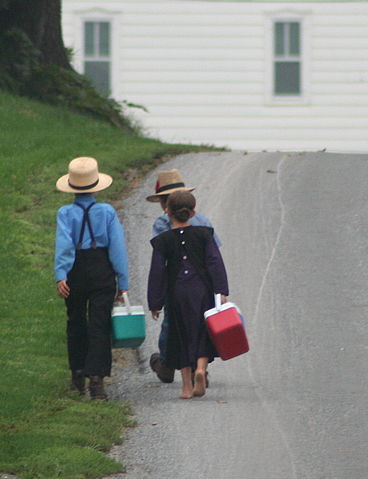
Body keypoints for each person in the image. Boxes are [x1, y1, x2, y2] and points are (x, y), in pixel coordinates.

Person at [54, 157, 128, 400]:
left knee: (75, 320)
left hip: (76, 268)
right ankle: (97, 380)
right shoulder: (106, 211)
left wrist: (61, 274)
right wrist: (122, 281)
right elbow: (117, 248)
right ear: (96, 186)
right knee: (99, 323)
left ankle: (77, 373)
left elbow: (64, 245)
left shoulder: (65, 213)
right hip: (101, 269)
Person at [147, 190, 229, 399]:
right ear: (193, 212)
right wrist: (221, 291)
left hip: (176, 292)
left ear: (167, 212)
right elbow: (214, 262)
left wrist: (155, 301)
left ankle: (185, 386)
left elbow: (157, 271)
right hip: (202, 290)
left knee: (179, 333)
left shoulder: (163, 240)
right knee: (202, 331)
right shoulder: (204, 234)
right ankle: (200, 369)